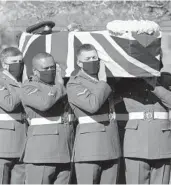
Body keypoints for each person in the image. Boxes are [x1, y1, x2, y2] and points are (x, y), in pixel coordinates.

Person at [66, 44, 121, 184]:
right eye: (88, 58)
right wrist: (103, 82)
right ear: (79, 62)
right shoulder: (74, 84)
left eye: (95, 58)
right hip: (89, 148)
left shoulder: (107, 81)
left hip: (111, 145)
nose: (92, 61)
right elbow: (92, 105)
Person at [20, 52, 75, 184]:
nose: (50, 71)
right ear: (35, 71)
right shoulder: (29, 86)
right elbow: (44, 103)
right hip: (42, 153)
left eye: (53, 67)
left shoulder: (62, 87)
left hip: (66, 150)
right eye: (45, 68)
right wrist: (59, 85)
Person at [115, 75, 171, 184]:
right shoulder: (125, 79)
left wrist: (155, 85)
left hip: (162, 143)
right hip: (136, 143)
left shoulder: (166, 79)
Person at [0, 47, 27, 184]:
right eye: (14, 61)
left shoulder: (21, 82)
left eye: (21, 61)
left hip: (23, 142)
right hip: (4, 144)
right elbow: (8, 103)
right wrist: (23, 87)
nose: (19, 65)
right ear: (4, 64)